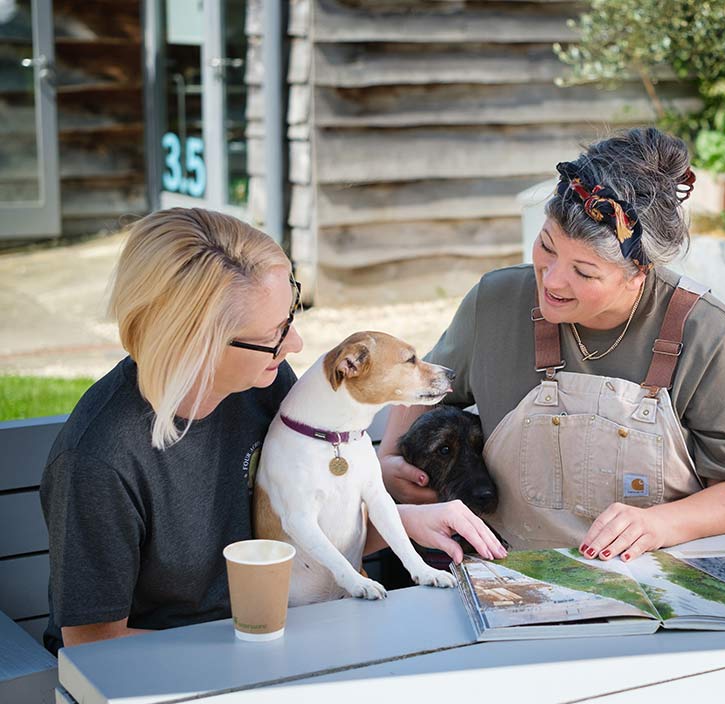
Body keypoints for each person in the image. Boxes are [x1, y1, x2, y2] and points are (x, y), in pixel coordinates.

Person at [42, 207, 496, 654]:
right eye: (276, 332)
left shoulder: (264, 382)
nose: (295, 344)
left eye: (291, 317)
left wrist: (404, 521)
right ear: (195, 339)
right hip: (190, 672)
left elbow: (300, 523)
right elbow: (93, 643)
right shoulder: (98, 461)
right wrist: (256, 644)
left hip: (303, 631)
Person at [379, 128, 725, 561]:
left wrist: (659, 523)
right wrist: (390, 460)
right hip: (505, 576)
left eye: (584, 272)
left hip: (653, 581)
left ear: (638, 272)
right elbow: (422, 389)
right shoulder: (494, 303)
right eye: (547, 246)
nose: (551, 281)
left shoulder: (707, 335)